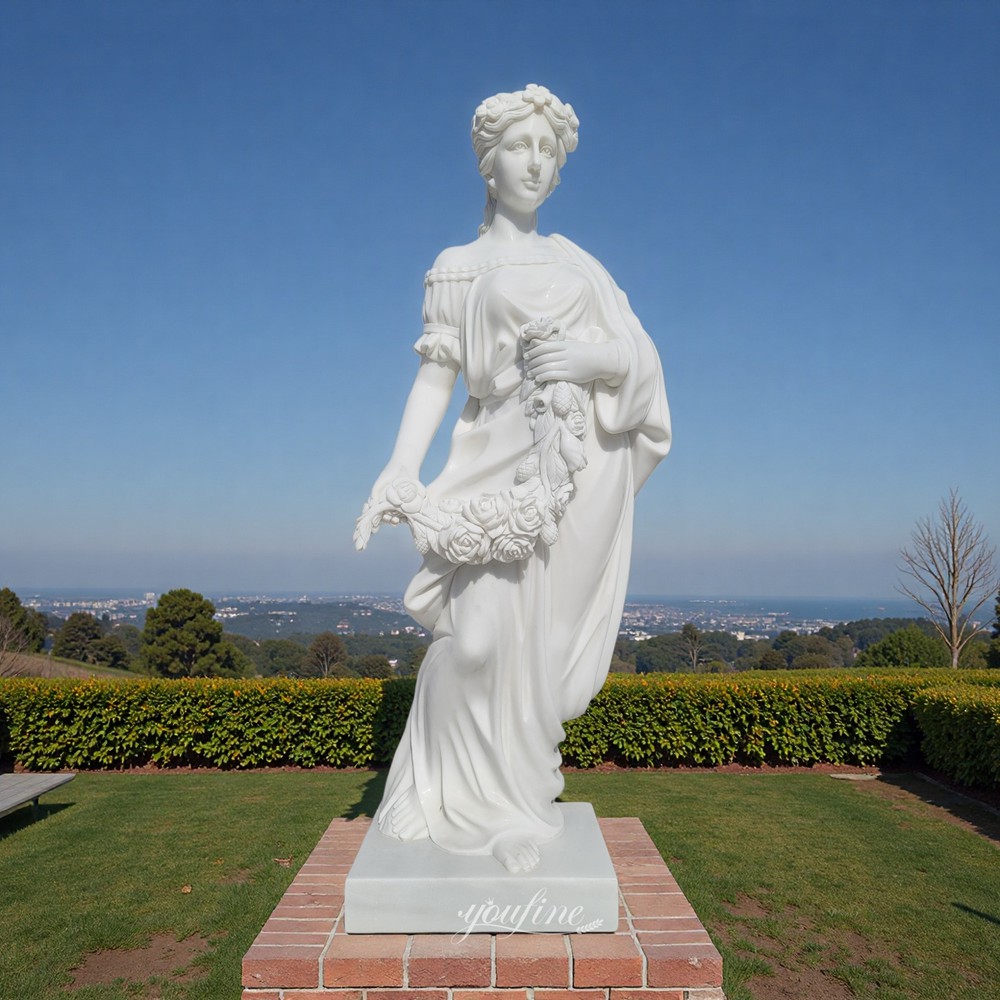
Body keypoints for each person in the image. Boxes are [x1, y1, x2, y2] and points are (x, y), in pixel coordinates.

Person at [355, 84, 671, 873]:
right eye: (519, 148)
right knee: (476, 642)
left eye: (548, 152)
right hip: (491, 459)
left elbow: (639, 358)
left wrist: (584, 359)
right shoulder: (457, 268)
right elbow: (438, 377)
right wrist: (400, 467)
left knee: (540, 651)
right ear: (487, 164)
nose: (535, 163)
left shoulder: (579, 265)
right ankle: (431, 791)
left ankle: (521, 811)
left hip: (579, 471)